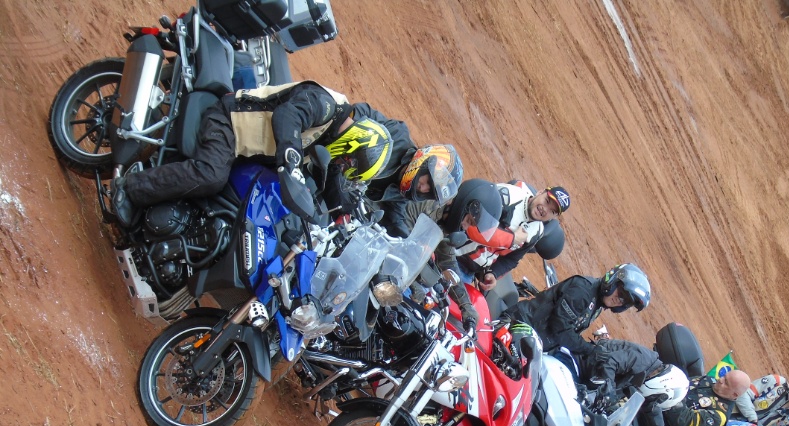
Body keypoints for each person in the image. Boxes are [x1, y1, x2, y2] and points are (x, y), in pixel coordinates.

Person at [112, 82, 396, 226]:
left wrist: (350, 213)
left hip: (248, 152)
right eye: (349, 163)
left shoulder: (333, 140)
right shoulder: (324, 105)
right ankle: (131, 188)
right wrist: (291, 157)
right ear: (354, 144)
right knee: (211, 175)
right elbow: (288, 115)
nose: (343, 167)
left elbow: (331, 183)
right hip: (231, 122)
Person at [503, 263, 651, 358]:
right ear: (612, 282)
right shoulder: (584, 290)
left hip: (531, 340)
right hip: (515, 328)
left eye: (626, 301)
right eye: (621, 293)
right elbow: (560, 329)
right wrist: (589, 350)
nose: (619, 300)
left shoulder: (598, 303)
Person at [465, 182, 571, 291]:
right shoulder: (507, 197)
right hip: (455, 250)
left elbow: (511, 259)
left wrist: (494, 273)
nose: (545, 209)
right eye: (547, 201)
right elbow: (471, 227)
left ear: (554, 217)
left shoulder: (537, 232)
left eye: (552, 211)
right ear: (540, 192)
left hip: (470, 272)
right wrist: (512, 239)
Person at [652, 369, 751, 426]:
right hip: (652, 404)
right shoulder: (708, 380)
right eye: (724, 376)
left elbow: (682, 421)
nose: (720, 379)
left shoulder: (719, 416)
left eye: (726, 383)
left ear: (734, 395)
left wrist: (671, 394)